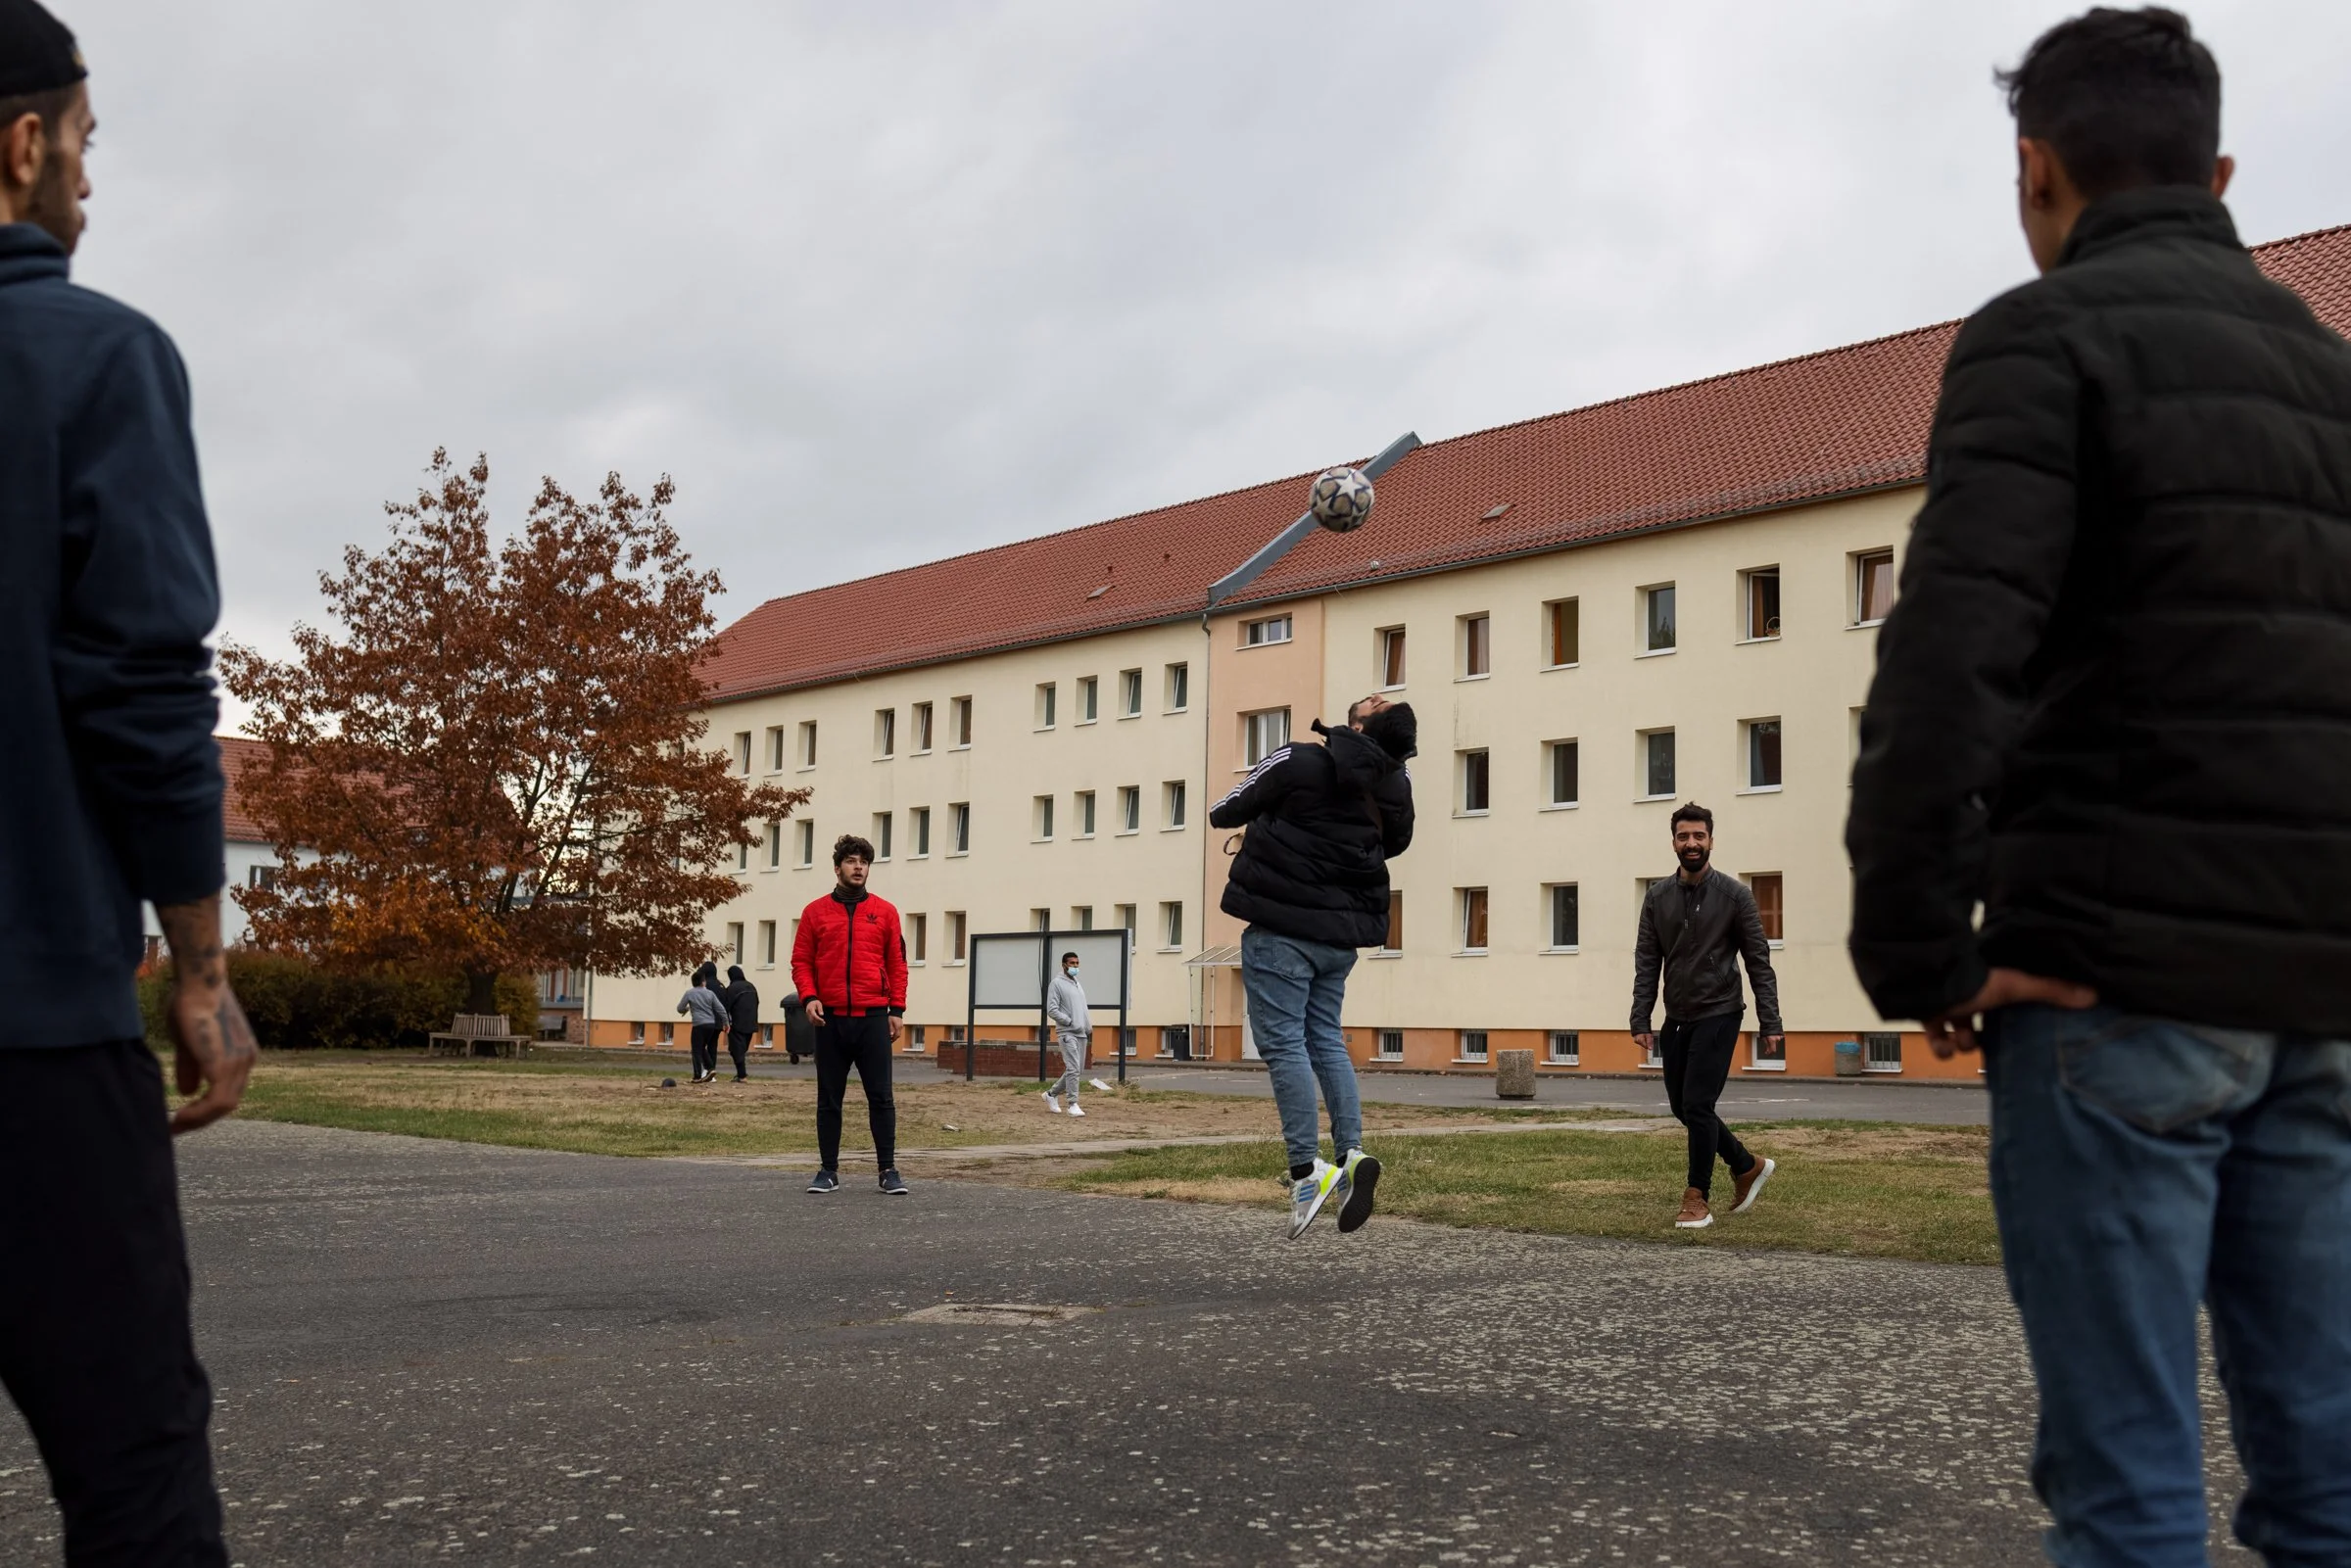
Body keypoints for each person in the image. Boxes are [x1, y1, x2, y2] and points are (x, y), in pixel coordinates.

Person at [1846, 10, 2351, 1562]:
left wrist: (1923, 949)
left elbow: (1948, 666)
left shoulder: (2040, 340)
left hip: (2106, 986)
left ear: (2035, 169)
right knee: (2333, 1486)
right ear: (2221, 170)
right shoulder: (2334, 381)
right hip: (2318, 1004)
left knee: (2133, 1494)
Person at [0, 4, 257, 1560]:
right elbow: (146, 690)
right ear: (24, 142)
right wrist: (204, 968)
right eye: (85, 145)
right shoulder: (96, 359)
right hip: (31, 1040)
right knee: (136, 1472)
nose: (88, 182)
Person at [1210, 693, 1415, 1239]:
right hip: (1338, 939)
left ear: (1356, 725)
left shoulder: (1299, 759)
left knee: (1282, 1046)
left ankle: (1306, 1170)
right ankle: (1350, 1153)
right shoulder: (1394, 787)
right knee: (1324, 1038)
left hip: (1280, 931)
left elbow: (1223, 810)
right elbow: (1393, 843)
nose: (1371, 694)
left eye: (1375, 701)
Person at [1629, 804, 1781, 1231]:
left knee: (1697, 1103)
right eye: (1683, 837)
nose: (1691, 843)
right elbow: (1647, 960)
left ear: (1711, 840)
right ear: (1674, 842)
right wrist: (1641, 1016)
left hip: (1720, 1011)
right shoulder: (1657, 897)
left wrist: (1770, 1022)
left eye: (1699, 836)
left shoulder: (1736, 896)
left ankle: (1697, 1197)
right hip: (1676, 1016)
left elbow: (1758, 962)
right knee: (1683, 1106)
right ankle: (1746, 1164)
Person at [792, 834, 910, 1196]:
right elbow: (801, 961)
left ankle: (888, 1170)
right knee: (829, 1097)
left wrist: (897, 1009)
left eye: (864, 862)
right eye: (852, 861)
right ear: (837, 867)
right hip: (830, 1021)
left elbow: (897, 962)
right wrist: (809, 997)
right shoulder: (815, 912)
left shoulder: (885, 912)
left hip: (873, 1017)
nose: (859, 867)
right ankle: (828, 1170)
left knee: (881, 1097)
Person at [1041, 950, 1090, 1117]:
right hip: (1067, 1032)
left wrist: (1087, 1025)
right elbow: (1052, 1010)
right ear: (1064, 965)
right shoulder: (1056, 984)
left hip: (1081, 1033)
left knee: (1077, 1070)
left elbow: (1083, 1008)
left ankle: (1051, 1094)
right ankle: (1072, 1104)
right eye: (1072, 963)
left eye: (1077, 963)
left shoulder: (1077, 984)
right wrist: (1070, 1022)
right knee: (1073, 1068)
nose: (1075, 966)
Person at [675, 964, 730, 1084]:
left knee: (696, 1049)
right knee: (702, 1047)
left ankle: (697, 1076)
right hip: (711, 1024)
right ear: (703, 982)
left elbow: (679, 1008)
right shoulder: (710, 993)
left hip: (698, 1025)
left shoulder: (690, 993)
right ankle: (710, 1068)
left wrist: (686, 1009)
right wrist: (726, 1023)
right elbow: (721, 1009)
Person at [718, 963, 759, 1082]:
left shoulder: (732, 988)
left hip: (737, 1023)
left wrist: (725, 1022)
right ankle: (741, 1074)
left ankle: (742, 1076)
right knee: (741, 1049)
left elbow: (726, 1006)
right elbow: (757, 1002)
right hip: (751, 1022)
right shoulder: (751, 986)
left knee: (736, 1050)